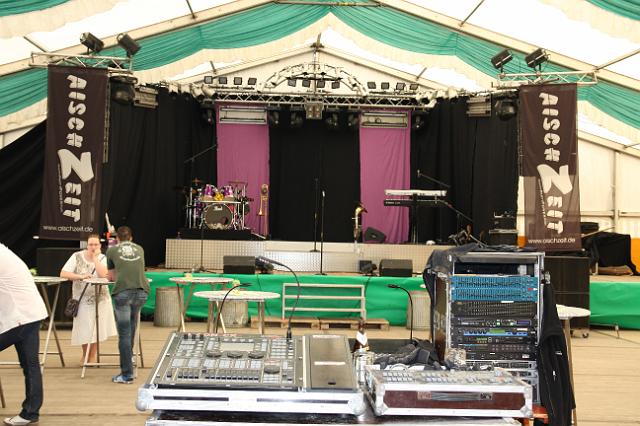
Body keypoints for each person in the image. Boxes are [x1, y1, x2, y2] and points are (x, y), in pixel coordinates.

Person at [0, 243, 47, 426]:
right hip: (31, 313)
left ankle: (30, 412)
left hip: (20, 316)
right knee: (31, 365)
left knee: (30, 365)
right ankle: (30, 413)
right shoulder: (5, 251)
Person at [59, 234, 117, 363]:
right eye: (91, 244)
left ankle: (92, 355)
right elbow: (63, 273)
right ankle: (85, 354)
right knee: (83, 328)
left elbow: (104, 274)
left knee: (98, 328)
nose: (93, 247)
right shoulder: (76, 256)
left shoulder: (103, 258)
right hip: (82, 299)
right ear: (87, 245)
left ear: (100, 245)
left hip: (100, 299)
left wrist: (95, 258)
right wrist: (80, 276)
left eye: (96, 244)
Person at [106, 226, 149, 384]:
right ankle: (129, 357)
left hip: (123, 293)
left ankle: (127, 374)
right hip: (142, 292)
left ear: (117, 238)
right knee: (131, 325)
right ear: (131, 238)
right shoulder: (140, 249)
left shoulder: (112, 250)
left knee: (124, 333)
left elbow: (111, 277)